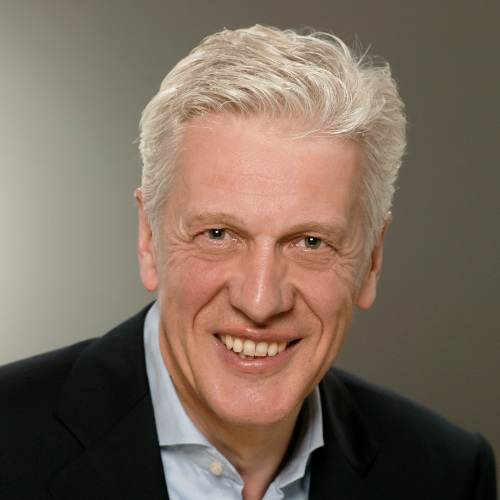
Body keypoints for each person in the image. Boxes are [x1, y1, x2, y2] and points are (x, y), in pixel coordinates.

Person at [0, 25, 496, 500]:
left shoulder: (447, 476)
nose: (260, 302)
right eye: (218, 235)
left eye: (311, 242)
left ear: (372, 260)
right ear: (148, 239)